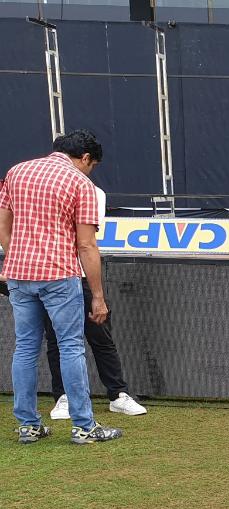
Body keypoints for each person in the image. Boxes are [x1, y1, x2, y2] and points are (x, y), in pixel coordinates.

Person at [0, 129, 123, 445]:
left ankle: (28, 425)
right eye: (92, 164)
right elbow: (86, 245)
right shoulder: (81, 183)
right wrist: (97, 296)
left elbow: (3, 225)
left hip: (19, 274)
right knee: (71, 346)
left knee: (25, 346)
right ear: (85, 158)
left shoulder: (17, 172)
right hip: (59, 273)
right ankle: (83, 426)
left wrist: (15, 258)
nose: (90, 170)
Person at [45, 184, 147, 420]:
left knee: (101, 336)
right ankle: (64, 397)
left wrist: (97, 294)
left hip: (80, 274)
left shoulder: (93, 192)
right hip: (52, 276)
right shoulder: (41, 185)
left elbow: (87, 241)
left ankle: (118, 394)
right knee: (55, 339)